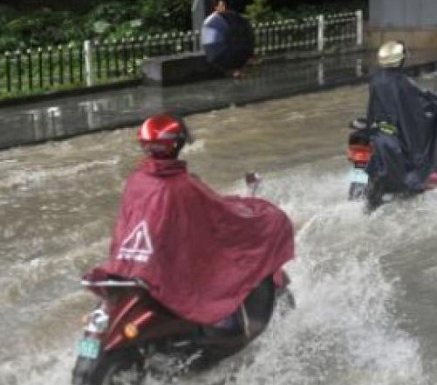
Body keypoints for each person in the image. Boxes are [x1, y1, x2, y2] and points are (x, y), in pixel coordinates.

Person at [85, 114, 294, 335]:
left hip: (132, 267)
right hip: (164, 271)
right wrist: (259, 215)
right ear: (178, 143)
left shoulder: (137, 181)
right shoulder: (183, 186)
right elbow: (221, 216)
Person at [363, 40, 437, 209]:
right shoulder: (403, 82)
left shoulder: (375, 79)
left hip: (375, 130)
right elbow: (419, 108)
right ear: (400, 60)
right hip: (390, 134)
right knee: (417, 156)